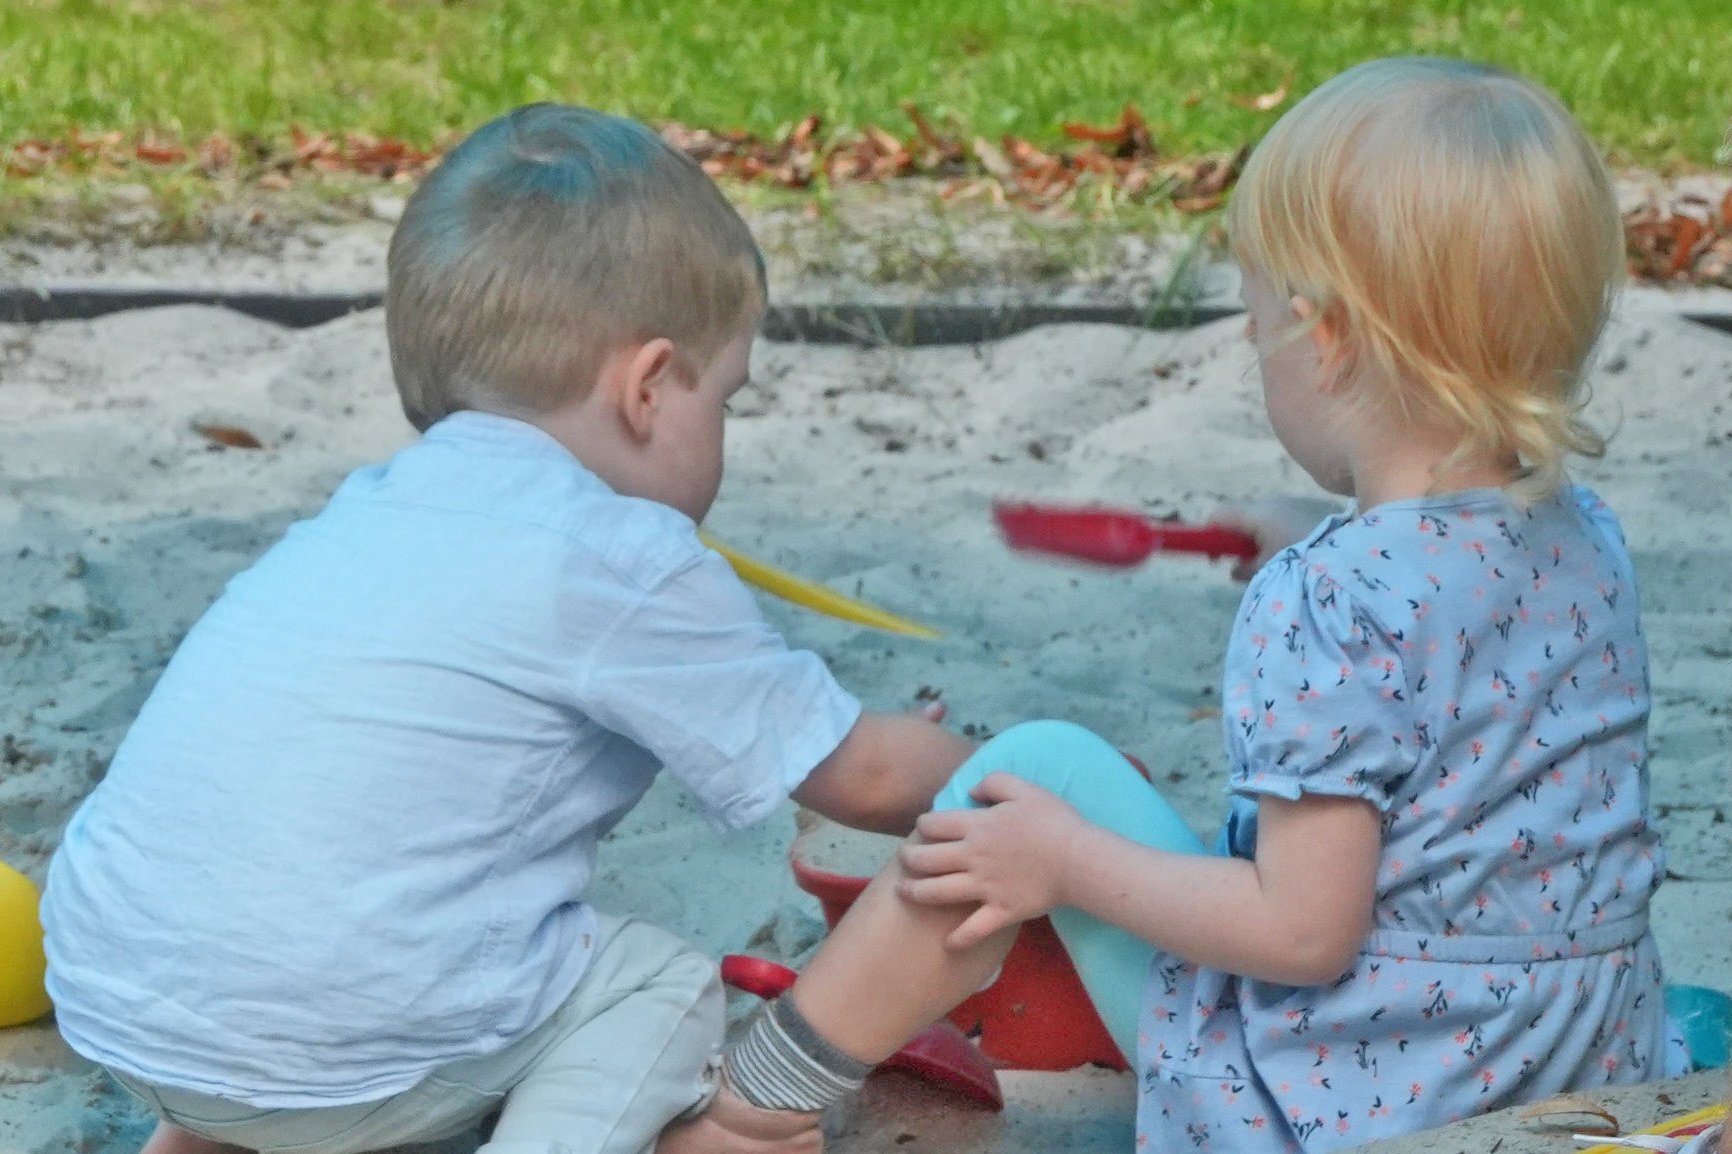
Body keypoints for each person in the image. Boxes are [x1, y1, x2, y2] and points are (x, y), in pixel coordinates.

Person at [678, 57, 1668, 1154]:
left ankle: (761, 1101)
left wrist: (1063, 862)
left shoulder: (1329, 600)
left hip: (1365, 1105)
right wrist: (1306, 523)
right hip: (1572, 1062)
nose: (1257, 356)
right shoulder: (1584, 538)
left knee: (1033, 776)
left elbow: (1302, 930)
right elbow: (1453, 608)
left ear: (1325, 338)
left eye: (1258, 328)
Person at [39, 104, 973, 1154]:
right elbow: (869, 780)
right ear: (648, 386)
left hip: (120, 999)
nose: (722, 433)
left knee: (324, 910)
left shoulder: (364, 512)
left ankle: (208, 1134)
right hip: (333, 1042)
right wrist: (999, 766)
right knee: (657, 985)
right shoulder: (619, 554)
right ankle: (716, 1134)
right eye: (725, 401)